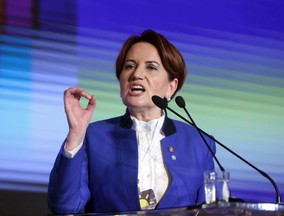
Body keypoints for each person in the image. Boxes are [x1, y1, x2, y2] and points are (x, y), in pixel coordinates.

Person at [48, 29, 215, 214]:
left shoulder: (199, 143)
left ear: (171, 87)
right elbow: (65, 208)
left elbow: (211, 211)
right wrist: (76, 134)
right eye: (129, 66)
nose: (136, 74)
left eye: (151, 67)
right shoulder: (92, 137)